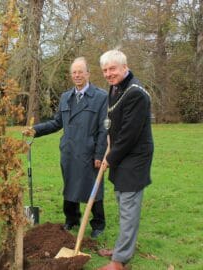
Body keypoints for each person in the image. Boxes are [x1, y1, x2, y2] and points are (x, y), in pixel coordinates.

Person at [23, 57, 108, 238]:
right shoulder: (66, 97)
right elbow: (56, 123)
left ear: (88, 74)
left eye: (80, 72)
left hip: (89, 151)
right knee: (70, 186)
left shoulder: (101, 97)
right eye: (74, 72)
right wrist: (35, 130)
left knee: (93, 188)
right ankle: (71, 219)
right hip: (69, 151)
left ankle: (98, 224)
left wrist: (99, 154)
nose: (77, 75)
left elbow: (103, 129)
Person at [97, 50, 154, 270]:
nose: (108, 74)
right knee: (122, 201)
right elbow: (113, 122)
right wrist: (108, 149)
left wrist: (109, 158)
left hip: (134, 156)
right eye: (105, 70)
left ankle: (119, 262)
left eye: (112, 69)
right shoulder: (115, 87)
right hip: (120, 153)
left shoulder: (135, 93)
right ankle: (123, 246)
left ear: (124, 66)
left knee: (129, 206)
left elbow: (129, 134)